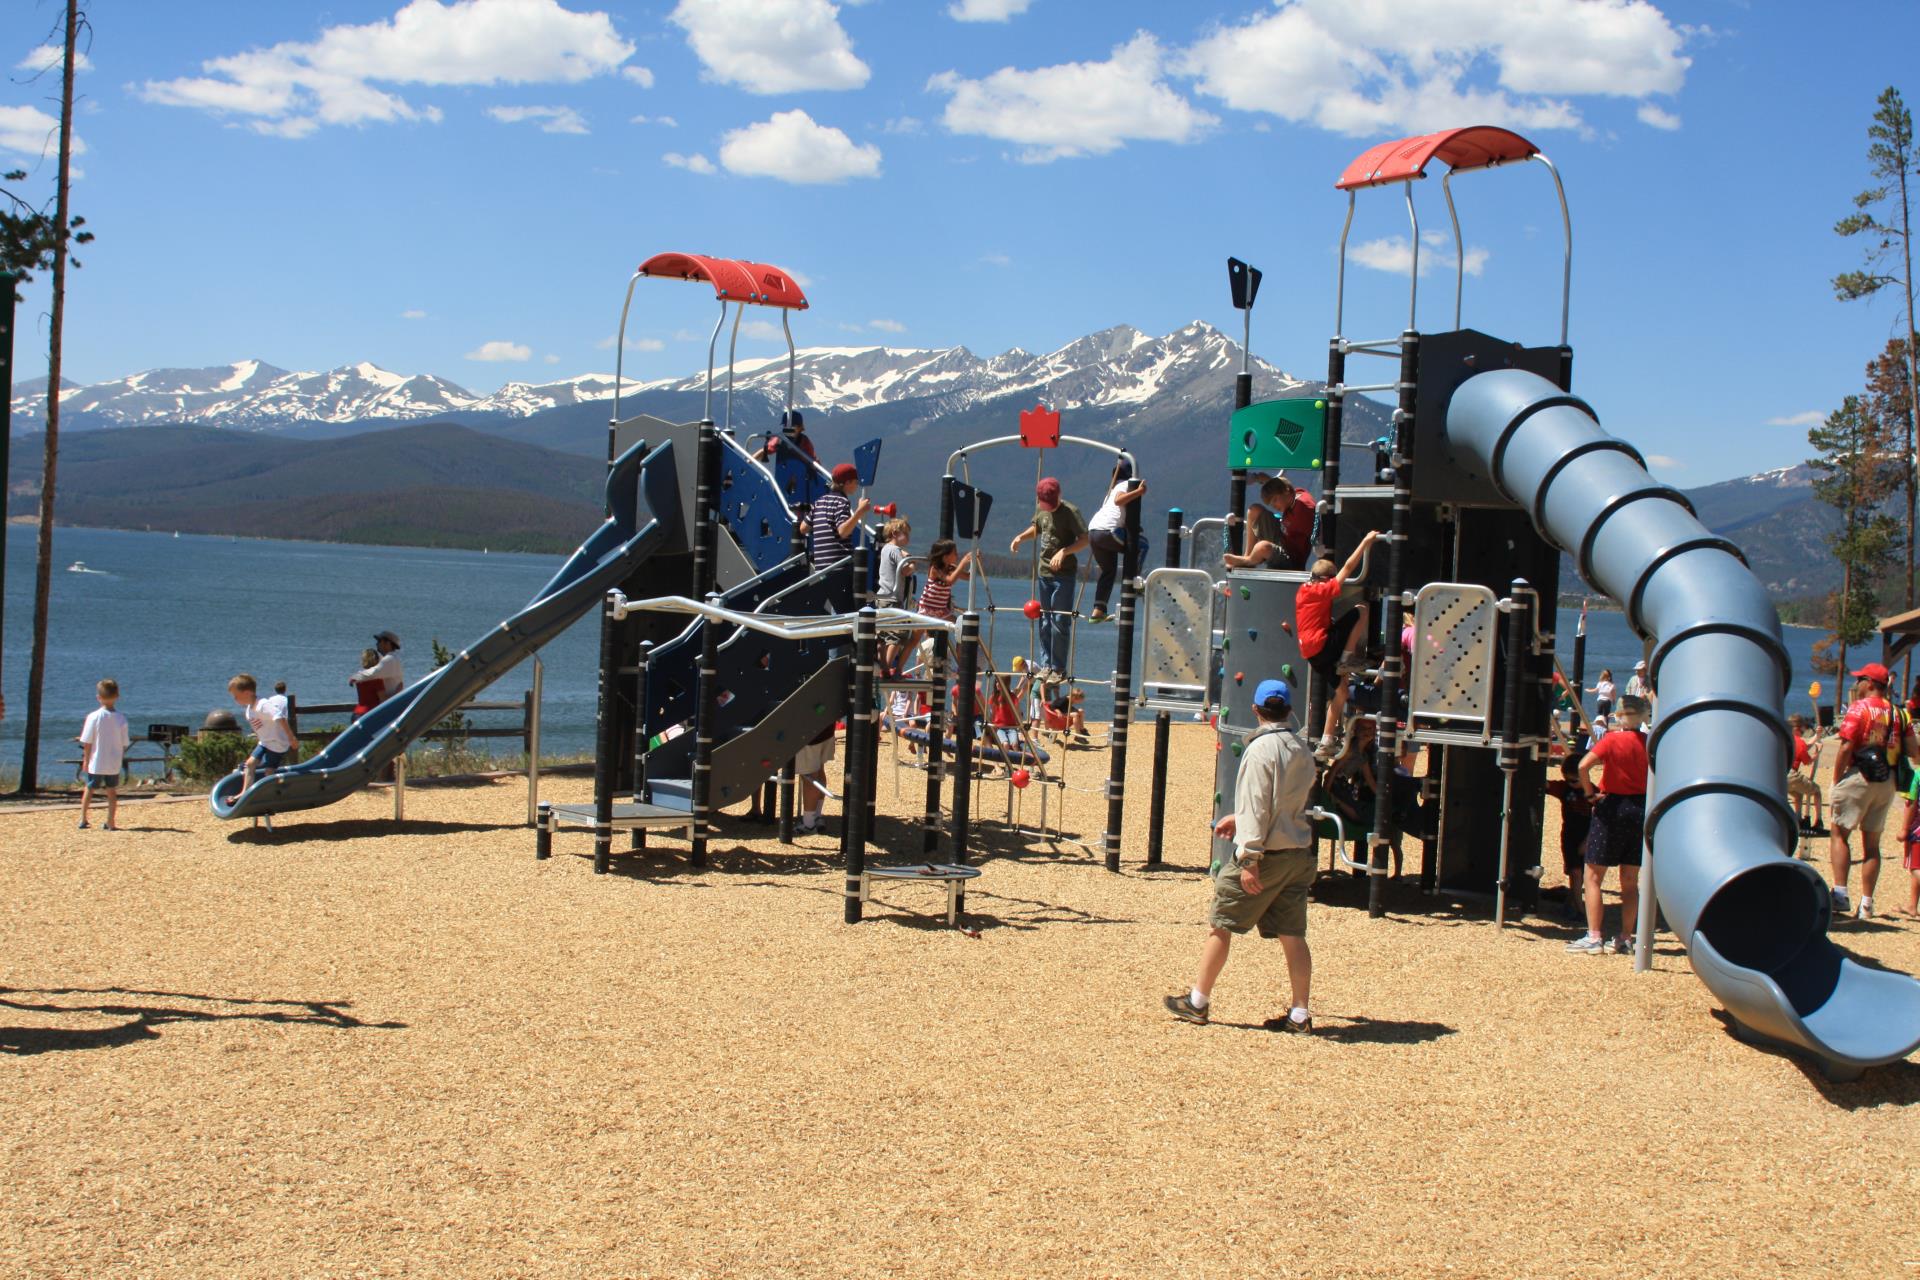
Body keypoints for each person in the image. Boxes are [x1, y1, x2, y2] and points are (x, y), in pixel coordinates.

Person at [1164, 678, 1319, 1031]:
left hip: (1266, 854)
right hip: (1298, 852)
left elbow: (1258, 801)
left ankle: (1197, 1001)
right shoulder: (1301, 747)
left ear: (1255, 710)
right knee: (1293, 933)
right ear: (1290, 710)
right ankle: (1300, 1014)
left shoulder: (1259, 750)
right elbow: (1286, 800)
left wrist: (1249, 859)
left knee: (1222, 922)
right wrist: (1242, 818)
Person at [1828, 663, 1918, 919]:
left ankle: (1841, 894)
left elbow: (1846, 747)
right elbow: (1913, 750)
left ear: (1869, 683)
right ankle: (1867, 904)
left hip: (1860, 776)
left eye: (1860, 680)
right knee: (1873, 845)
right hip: (1887, 780)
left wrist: (1837, 779)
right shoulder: (1900, 713)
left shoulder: (1859, 708)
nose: (1856, 684)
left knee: (1839, 834)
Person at [1567, 695, 1649, 954]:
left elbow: (1583, 765)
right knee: (1630, 880)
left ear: (1620, 717)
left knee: (1593, 875)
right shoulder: (1649, 743)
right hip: (1640, 808)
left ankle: (1594, 936)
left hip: (1611, 807)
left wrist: (1590, 794)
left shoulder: (1612, 740)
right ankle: (1625, 937)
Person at [1294, 529, 1380, 756]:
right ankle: (1346, 659)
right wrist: (1365, 541)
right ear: (1326, 579)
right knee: (1362, 610)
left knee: (1341, 691)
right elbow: (1349, 568)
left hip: (1310, 652)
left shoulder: (1303, 590)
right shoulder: (1324, 589)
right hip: (1322, 644)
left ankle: (1327, 740)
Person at [1010, 477, 1087, 677]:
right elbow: (1038, 528)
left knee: (1060, 620)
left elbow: (1085, 539)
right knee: (1044, 620)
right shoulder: (1040, 509)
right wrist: (1021, 537)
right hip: (1044, 573)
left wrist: (1064, 552)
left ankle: (1059, 668)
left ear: (1059, 495)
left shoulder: (1071, 512)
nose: (1048, 508)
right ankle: (1047, 665)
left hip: (1064, 575)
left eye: (1051, 505)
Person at [229, 673, 295, 831]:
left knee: (269, 771)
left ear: (247, 693)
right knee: (250, 764)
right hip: (265, 742)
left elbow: (280, 717)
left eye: (236, 696)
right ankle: (244, 793)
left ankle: (266, 796)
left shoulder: (263, 704)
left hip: (277, 744)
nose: (235, 700)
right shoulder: (249, 709)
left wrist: (291, 737)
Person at [1086, 458, 1147, 623]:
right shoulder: (1124, 485)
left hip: (1094, 532)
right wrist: (1138, 492)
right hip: (1108, 532)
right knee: (1142, 545)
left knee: (1109, 570)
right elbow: (1119, 501)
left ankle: (1098, 609)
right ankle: (1134, 583)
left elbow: (1119, 512)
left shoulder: (1111, 489)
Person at [1545, 752, 1596, 922]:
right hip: (1569, 836)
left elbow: (1599, 820)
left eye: (1574, 780)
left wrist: (1587, 841)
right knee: (1575, 873)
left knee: (1581, 874)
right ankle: (1579, 909)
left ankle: (1574, 905)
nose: (1570, 784)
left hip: (1587, 837)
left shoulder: (1594, 793)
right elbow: (1546, 785)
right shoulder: (1564, 789)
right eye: (1567, 780)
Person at [76, 678, 132, 831]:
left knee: (89, 788)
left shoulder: (93, 717)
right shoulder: (121, 718)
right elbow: (124, 742)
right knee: (111, 791)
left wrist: (86, 760)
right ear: (117, 696)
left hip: (96, 761)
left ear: (98, 698)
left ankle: (83, 818)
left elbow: (87, 742)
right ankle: (111, 821)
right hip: (113, 762)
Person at [875, 517, 921, 676]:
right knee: (896, 635)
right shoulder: (895, 550)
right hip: (893, 600)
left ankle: (882, 665)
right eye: (906, 534)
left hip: (882, 597)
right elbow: (905, 570)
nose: (908, 538)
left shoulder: (886, 549)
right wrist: (913, 563)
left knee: (882, 635)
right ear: (895, 533)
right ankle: (886, 669)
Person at [809, 462, 871, 570]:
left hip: (820, 567)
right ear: (847, 483)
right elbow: (843, 532)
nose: (857, 485)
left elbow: (803, 528)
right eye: (856, 482)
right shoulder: (842, 502)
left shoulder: (819, 501)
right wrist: (860, 511)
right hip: (839, 566)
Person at [794, 723, 836, 835]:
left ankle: (809, 824)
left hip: (809, 733)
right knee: (819, 769)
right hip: (827, 730)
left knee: (809, 776)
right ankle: (816, 816)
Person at [1787, 713, 1825, 833]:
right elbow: (1808, 761)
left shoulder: (1787, 740)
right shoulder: (1799, 741)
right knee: (1817, 791)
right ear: (1798, 729)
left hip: (1781, 776)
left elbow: (1805, 746)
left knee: (1798, 795)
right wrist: (1817, 753)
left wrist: (1817, 735)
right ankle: (1819, 821)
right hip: (1792, 775)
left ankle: (1798, 820)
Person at [357, 632, 405, 701]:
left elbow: (371, 674)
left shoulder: (389, 659)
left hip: (391, 704)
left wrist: (354, 678)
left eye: (379, 641)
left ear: (388, 643)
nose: (377, 644)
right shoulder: (394, 658)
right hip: (393, 702)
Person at [352, 648, 387, 719]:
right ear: (376, 660)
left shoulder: (359, 677)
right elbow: (383, 700)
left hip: (357, 713)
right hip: (370, 714)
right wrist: (397, 692)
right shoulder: (376, 679)